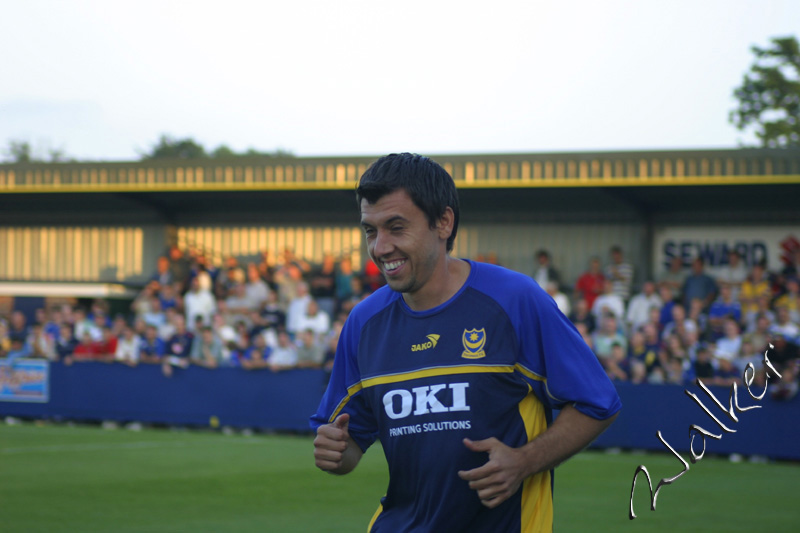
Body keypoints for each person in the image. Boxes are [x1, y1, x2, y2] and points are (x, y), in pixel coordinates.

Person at [310, 153, 620, 532]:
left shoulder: (513, 299)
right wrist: (335, 452)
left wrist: (524, 460)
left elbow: (598, 403)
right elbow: (348, 444)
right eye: (370, 231)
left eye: (396, 227)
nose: (380, 247)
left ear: (443, 222)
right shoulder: (364, 322)